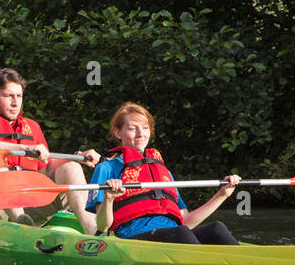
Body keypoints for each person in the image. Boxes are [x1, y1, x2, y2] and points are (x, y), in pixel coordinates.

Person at [0, 68, 100, 232]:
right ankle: (20, 223)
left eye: (19, 96)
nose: (15, 102)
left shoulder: (32, 127)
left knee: (72, 167)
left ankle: (93, 232)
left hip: (29, 204)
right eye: (8, 96)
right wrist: (24, 147)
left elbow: (47, 166)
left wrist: (78, 157)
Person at [88, 101, 240, 244]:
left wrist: (222, 195)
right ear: (118, 132)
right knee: (182, 233)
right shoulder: (106, 168)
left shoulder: (163, 172)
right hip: (133, 237)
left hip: (175, 233)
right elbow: (103, 226)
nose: (141, 134)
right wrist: (109, 198)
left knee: (216, 228)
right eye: (133, 128)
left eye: (145, 128)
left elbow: (185, 220)